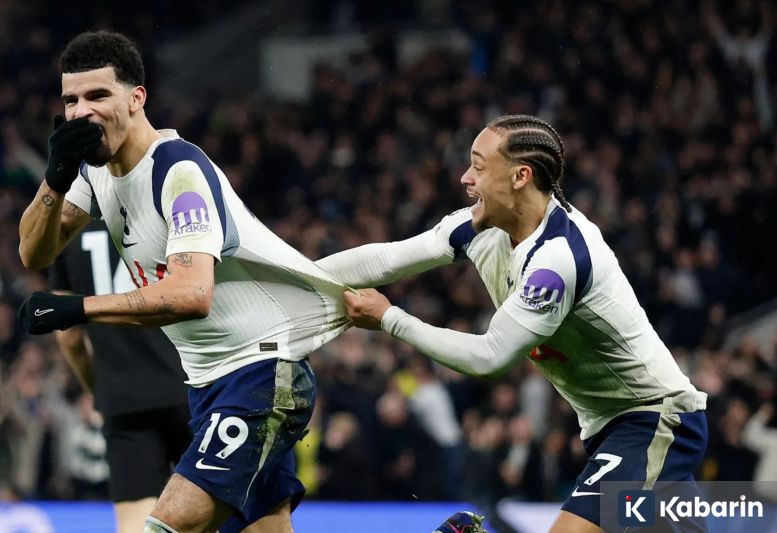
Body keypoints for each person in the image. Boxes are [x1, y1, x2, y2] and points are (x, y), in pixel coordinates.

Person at [17, 31, 350, 533]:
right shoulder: (92, 173)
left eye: (97, 95)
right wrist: (56, 176)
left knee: (163, 528)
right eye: (71, 100)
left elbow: (193, 293)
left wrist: (78, 309)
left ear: (136, 98)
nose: (81, 111)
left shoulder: (179, 170)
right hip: (208, 381)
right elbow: (32, 252)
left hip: (258, 373)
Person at [319, 115, 709, 533]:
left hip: (652, 417)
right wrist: (296, 279)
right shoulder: (479, 227)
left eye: (479, 166)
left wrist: (390, 319)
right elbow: (387, 259)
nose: (466, 177)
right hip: (605, 425)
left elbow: (490, 358)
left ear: (521, 176)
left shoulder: (557, 260)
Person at [50, 220, 192, 533]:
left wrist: (99, 388)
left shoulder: (69, 229)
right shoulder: (162, 212)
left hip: (122, 399)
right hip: (191, 389)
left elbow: (68, 337)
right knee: (217, 508)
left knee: (135, 523)